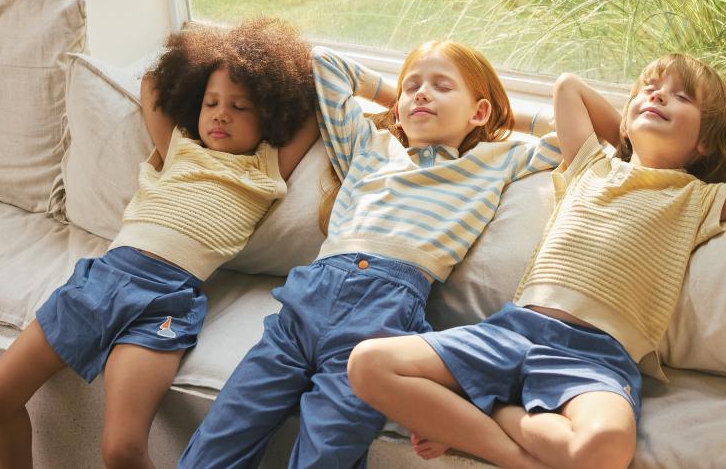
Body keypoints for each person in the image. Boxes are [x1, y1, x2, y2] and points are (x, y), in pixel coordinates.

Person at [348, 53, 726, 469]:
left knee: (604, 451)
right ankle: (516, 457)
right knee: (368, 363)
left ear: (706, 140)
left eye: (680, 97)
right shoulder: (591, 166)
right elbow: (568, 87)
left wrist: (712, 163)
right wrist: (632, 133)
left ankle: (486, 411)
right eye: (649, 90)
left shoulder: (700, 197)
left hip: (597, 358)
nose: (657, 96)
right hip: (512, 332)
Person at [178, 41, 563, 469]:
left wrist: (502, 117)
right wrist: (396, 101)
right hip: (305, 303)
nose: (422, 93)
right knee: (223, 434)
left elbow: (567, 134)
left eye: (441, 86)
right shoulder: (370, 146)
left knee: (327, 454)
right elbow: (325, 65)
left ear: (479, 112)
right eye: (413, 86)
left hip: (382, 317)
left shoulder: (496, 159)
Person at [0, 18, 320, 469]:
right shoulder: (179, 145)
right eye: (211, 102)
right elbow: (153, 82)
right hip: (100, 281)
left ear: (270, 117)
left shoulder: (266, 168)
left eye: (241, 107)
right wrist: (218, 49)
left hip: (165, 302)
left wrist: (285, 69)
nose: (221, 114)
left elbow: (317, 108)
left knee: (121, 450)